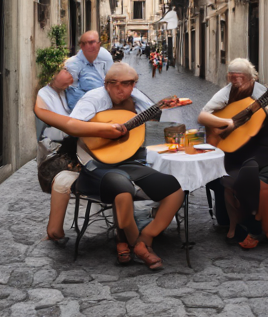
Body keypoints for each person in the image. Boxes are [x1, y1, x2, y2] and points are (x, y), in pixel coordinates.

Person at [70, 63, 184, 269]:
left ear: (134, 85)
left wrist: (159, 110)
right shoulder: (94, 99)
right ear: (106, 84)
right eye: (114, 84)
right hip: (96, 162)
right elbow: (73, 125)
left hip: (127, 160)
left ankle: (145, 237)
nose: (120, 89)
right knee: (123, 191)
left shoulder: (138, 99)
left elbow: (148, 124)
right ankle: (137, 247)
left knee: (174, 188)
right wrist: (106, 130)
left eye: (127, 84)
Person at [34, 66, 126, 243]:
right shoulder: (49, 95)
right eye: (65, 71)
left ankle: (55, 230)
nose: (71, 75)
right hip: (70, 149)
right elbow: (68, 127)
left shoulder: (70, 91)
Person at [197, 58, 268, 249]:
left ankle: (263, 228)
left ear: (253, 78)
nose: (236, 82)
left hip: (264, 150)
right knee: (231, 182)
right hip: (235, 152)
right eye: (232, 78)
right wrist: (226, 123)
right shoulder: (226, 92)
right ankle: (241, 225)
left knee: (260, 184)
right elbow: (202, 116)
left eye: (240, 78)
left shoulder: (262, 93)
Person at [65, 30, 113, 110]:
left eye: (91, 42)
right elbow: (73, 94)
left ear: (99, 44)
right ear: (81, 46)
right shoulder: (72, 64)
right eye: (84, 44)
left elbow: (112, 79)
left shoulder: (104, 56)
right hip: (86, 108)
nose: (88, 47)